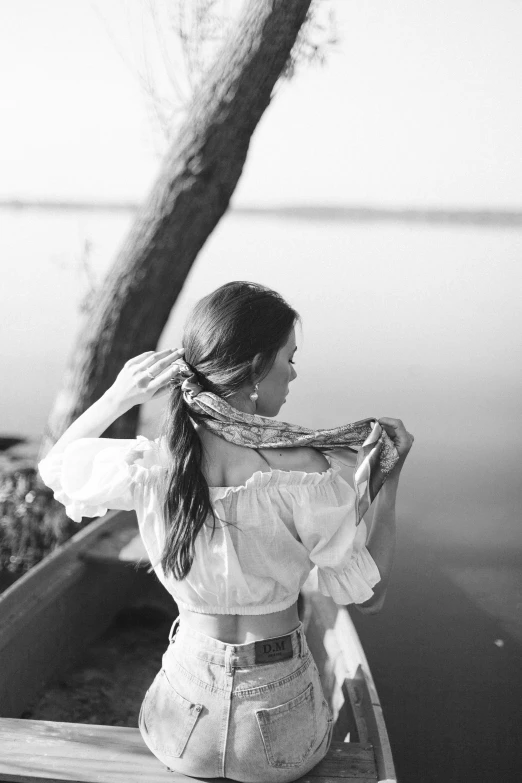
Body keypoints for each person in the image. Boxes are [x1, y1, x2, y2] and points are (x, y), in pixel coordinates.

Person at [38, 281, 413, 783]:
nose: (295, 372)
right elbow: (369, 596)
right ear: (257, 366)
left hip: (183, 722)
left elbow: (57, 467)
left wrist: (116, 396)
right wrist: (387, 484)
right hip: (280, 727)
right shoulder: (307, 473)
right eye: (290, 357)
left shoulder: (154, 462)